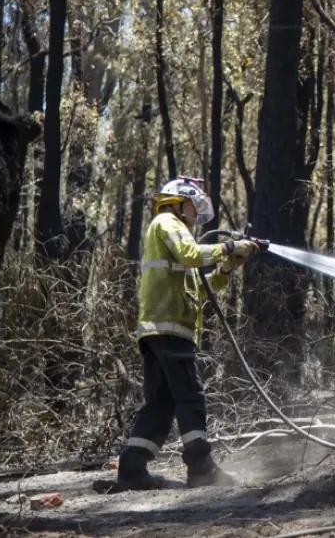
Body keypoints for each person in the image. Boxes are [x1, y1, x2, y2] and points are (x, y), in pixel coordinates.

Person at [95, 176, 260, 492]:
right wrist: (228, 245)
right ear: (178, 202)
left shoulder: (169, 231)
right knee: (190, 395)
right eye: (193, 208)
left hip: (160, 328)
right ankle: (200, 467)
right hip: (169, 327)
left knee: (161, 402)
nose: (196, 215)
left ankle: (131, 468)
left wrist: (226, 269)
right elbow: (190, 254)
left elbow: (198, 289)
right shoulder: (168, 221)